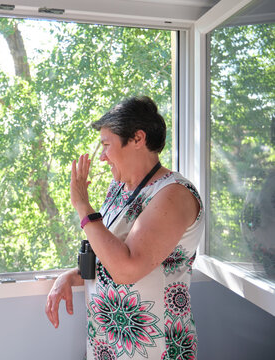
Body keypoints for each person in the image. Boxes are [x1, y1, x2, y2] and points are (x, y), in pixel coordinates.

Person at [45, 96, 204, 359]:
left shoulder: (173, 194)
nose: (103, 157)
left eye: (107, 145)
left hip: (154, 348)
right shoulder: (118, 190)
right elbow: (110, 255)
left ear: (138, 139)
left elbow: (126, 269)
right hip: (108, 345)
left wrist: (83, 207)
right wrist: (71, 276)